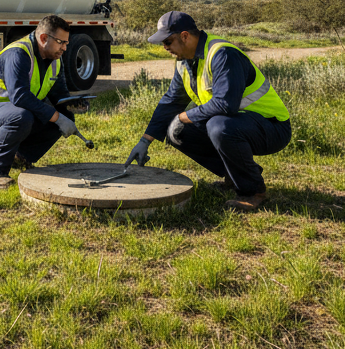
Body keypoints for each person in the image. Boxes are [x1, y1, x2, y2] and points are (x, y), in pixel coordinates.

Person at [124, 11, 290, 212]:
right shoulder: (185, 62)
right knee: (176, 131)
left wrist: (184, 116)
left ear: (185, 36)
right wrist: (145, 141)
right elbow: (171, 102)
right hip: (238, 124)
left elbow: (225, 105)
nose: (165, 48)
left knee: (218, 126)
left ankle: (252, 191)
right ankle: (235, 174)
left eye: (168, 41)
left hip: (272, 127)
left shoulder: (222, 54)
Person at [0, 15, 82, 189]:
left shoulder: (55, 62)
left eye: (66, 43)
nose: (65, 48)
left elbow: (60, 97)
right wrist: (56, 116)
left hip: (14, 113)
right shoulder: (18, 54)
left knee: (60, 118)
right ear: (44, 38)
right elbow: (19, 97)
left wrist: (72, 106)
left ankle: (20, 157)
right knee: (24, 116)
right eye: (61, 42)